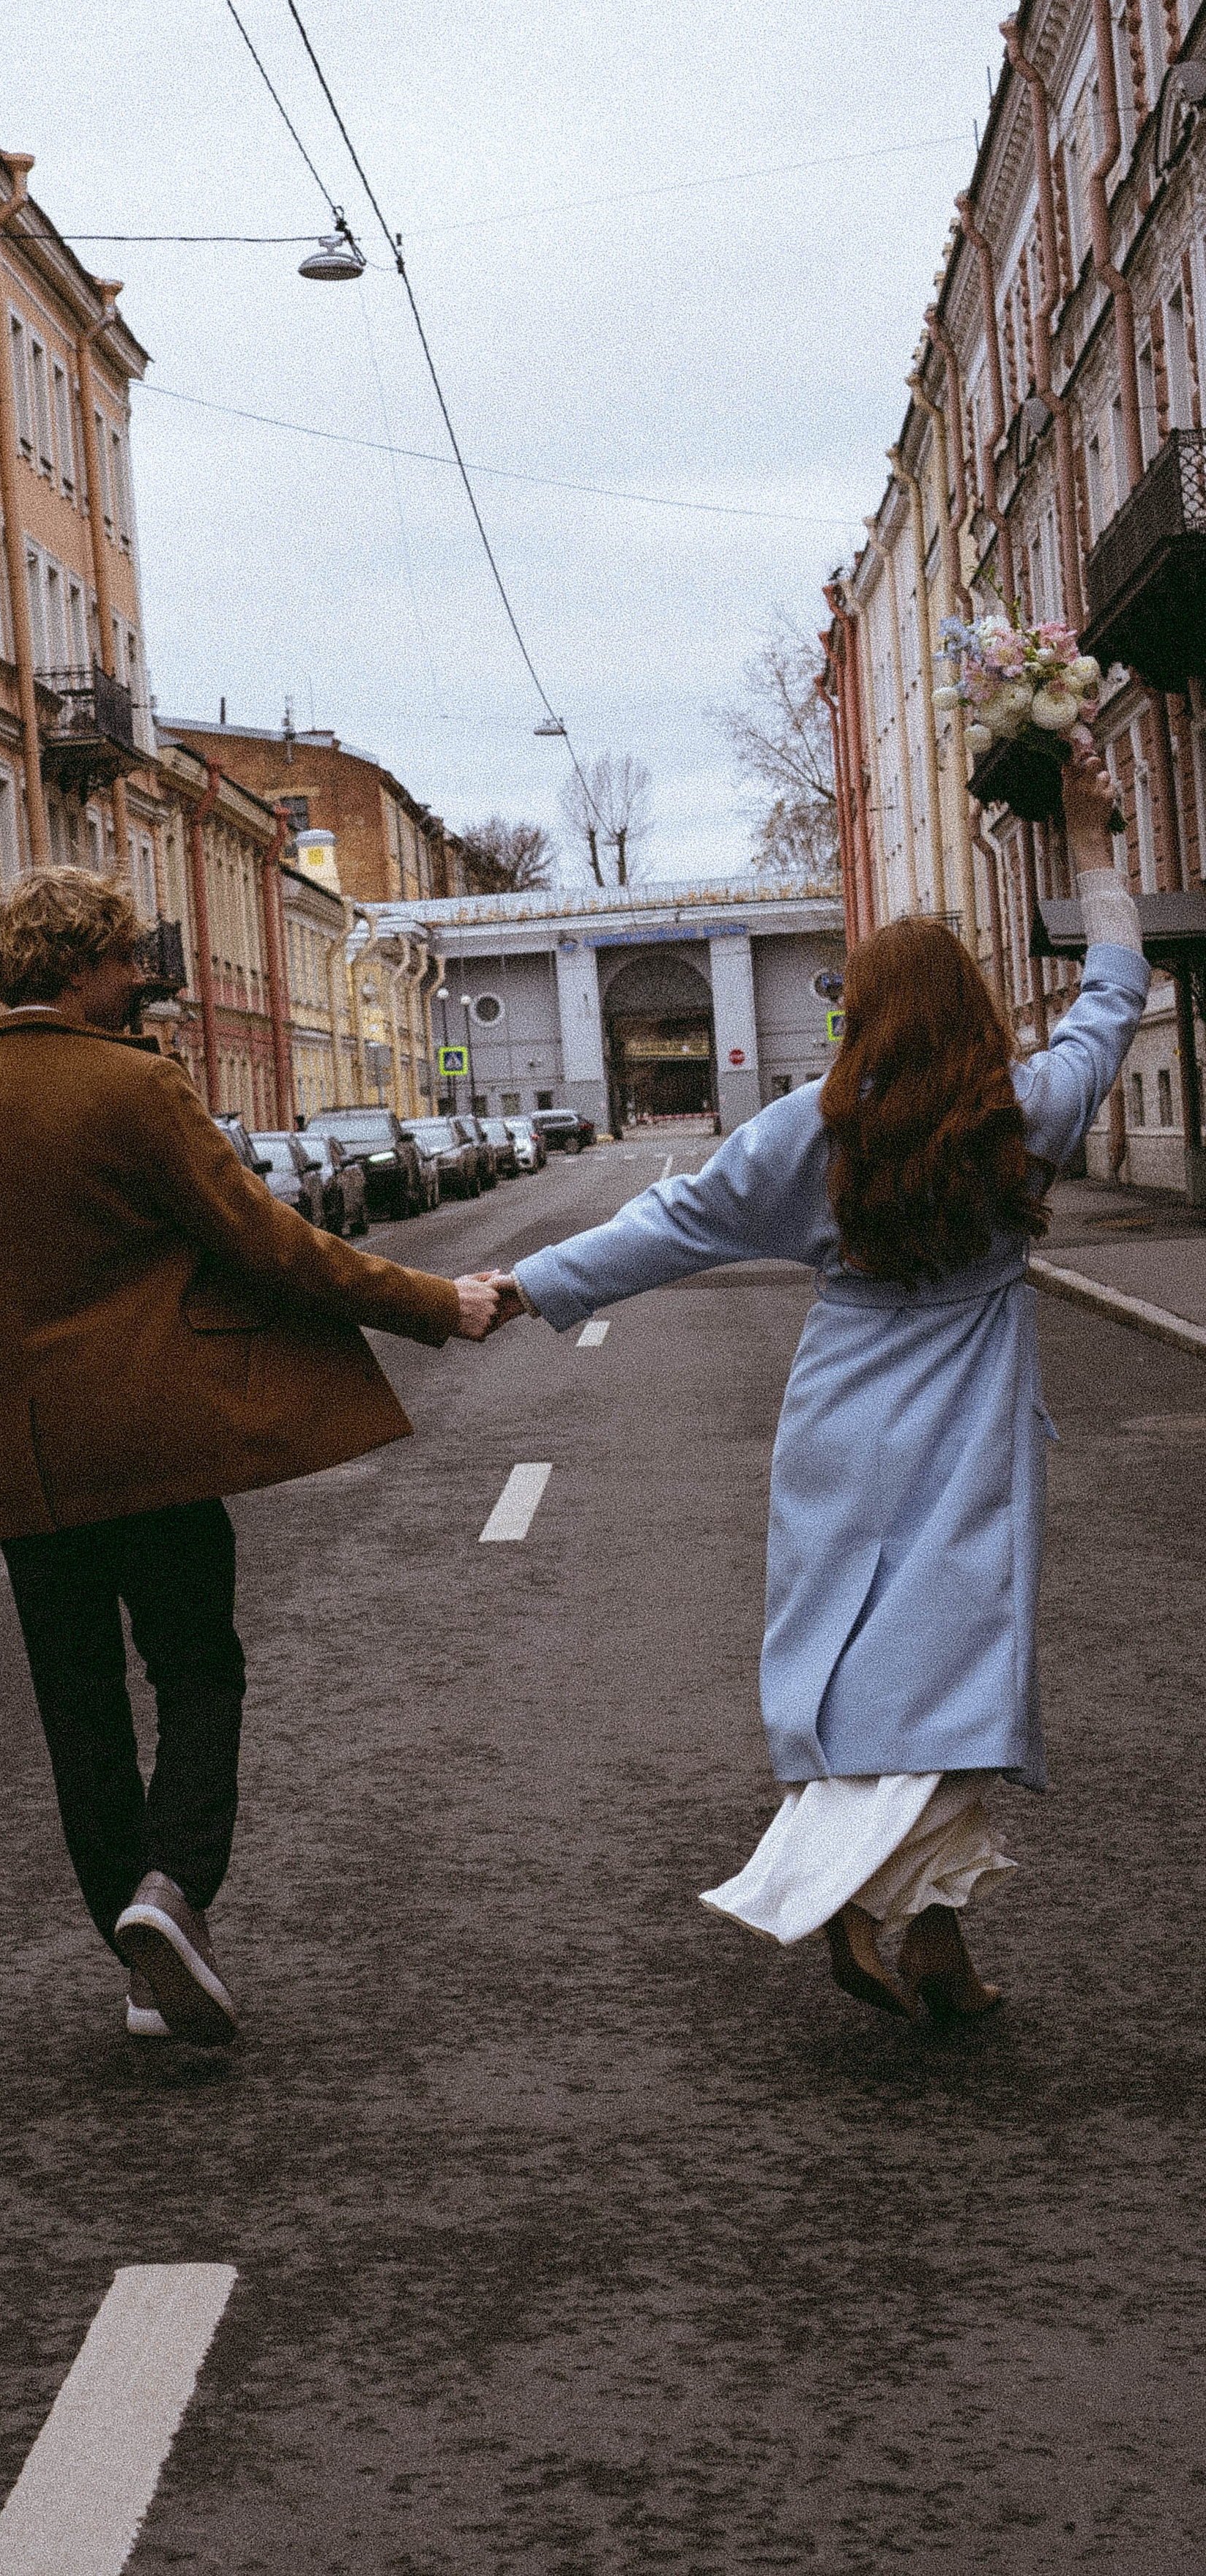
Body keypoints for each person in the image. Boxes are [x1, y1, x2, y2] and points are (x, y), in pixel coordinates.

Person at [485, 752, 1147, 2023]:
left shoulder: (812, 1130)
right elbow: (1114, 991)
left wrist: (528, 1284)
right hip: (970, 1415)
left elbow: (670, 1223)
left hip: (842, 1410)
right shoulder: (1029, 1109)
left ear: (863, 1015)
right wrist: (1088, 842)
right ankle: (895, 1913)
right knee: (961, 1667)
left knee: (851, 1670)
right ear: (972, 1012)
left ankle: (911, 1929)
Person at [0, 867, 500, 2047]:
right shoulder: (140, 1089)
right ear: (82, 965)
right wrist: (431, 1303)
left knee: (79, 1708)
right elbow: (273, 1247)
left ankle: (132, 1927)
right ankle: (173, 1888)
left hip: (32, 1467)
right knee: (199, 1672)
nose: (138, 980)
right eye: (125, 960)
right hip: (162, 1450)